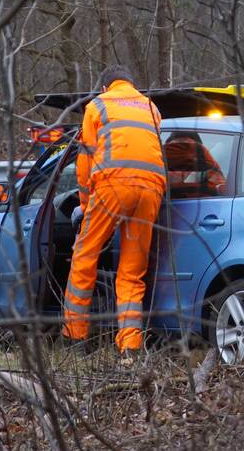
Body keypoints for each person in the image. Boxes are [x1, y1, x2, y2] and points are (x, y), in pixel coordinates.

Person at [63, 65, 166, 354]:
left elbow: (85, 162)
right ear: (132, 84)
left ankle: (74, 337)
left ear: (105, 87)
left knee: (84, 257)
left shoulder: (97, 106)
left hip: (112, 186)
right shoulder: (151, 107)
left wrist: (84, 206)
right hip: (150, 190)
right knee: (132, 272)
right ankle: (130, 346)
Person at [164, 131, 226, 196]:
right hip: (204, 202)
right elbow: (221, 188)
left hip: (163, 203)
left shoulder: (160, 152)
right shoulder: (203, 154)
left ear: (171, 138)